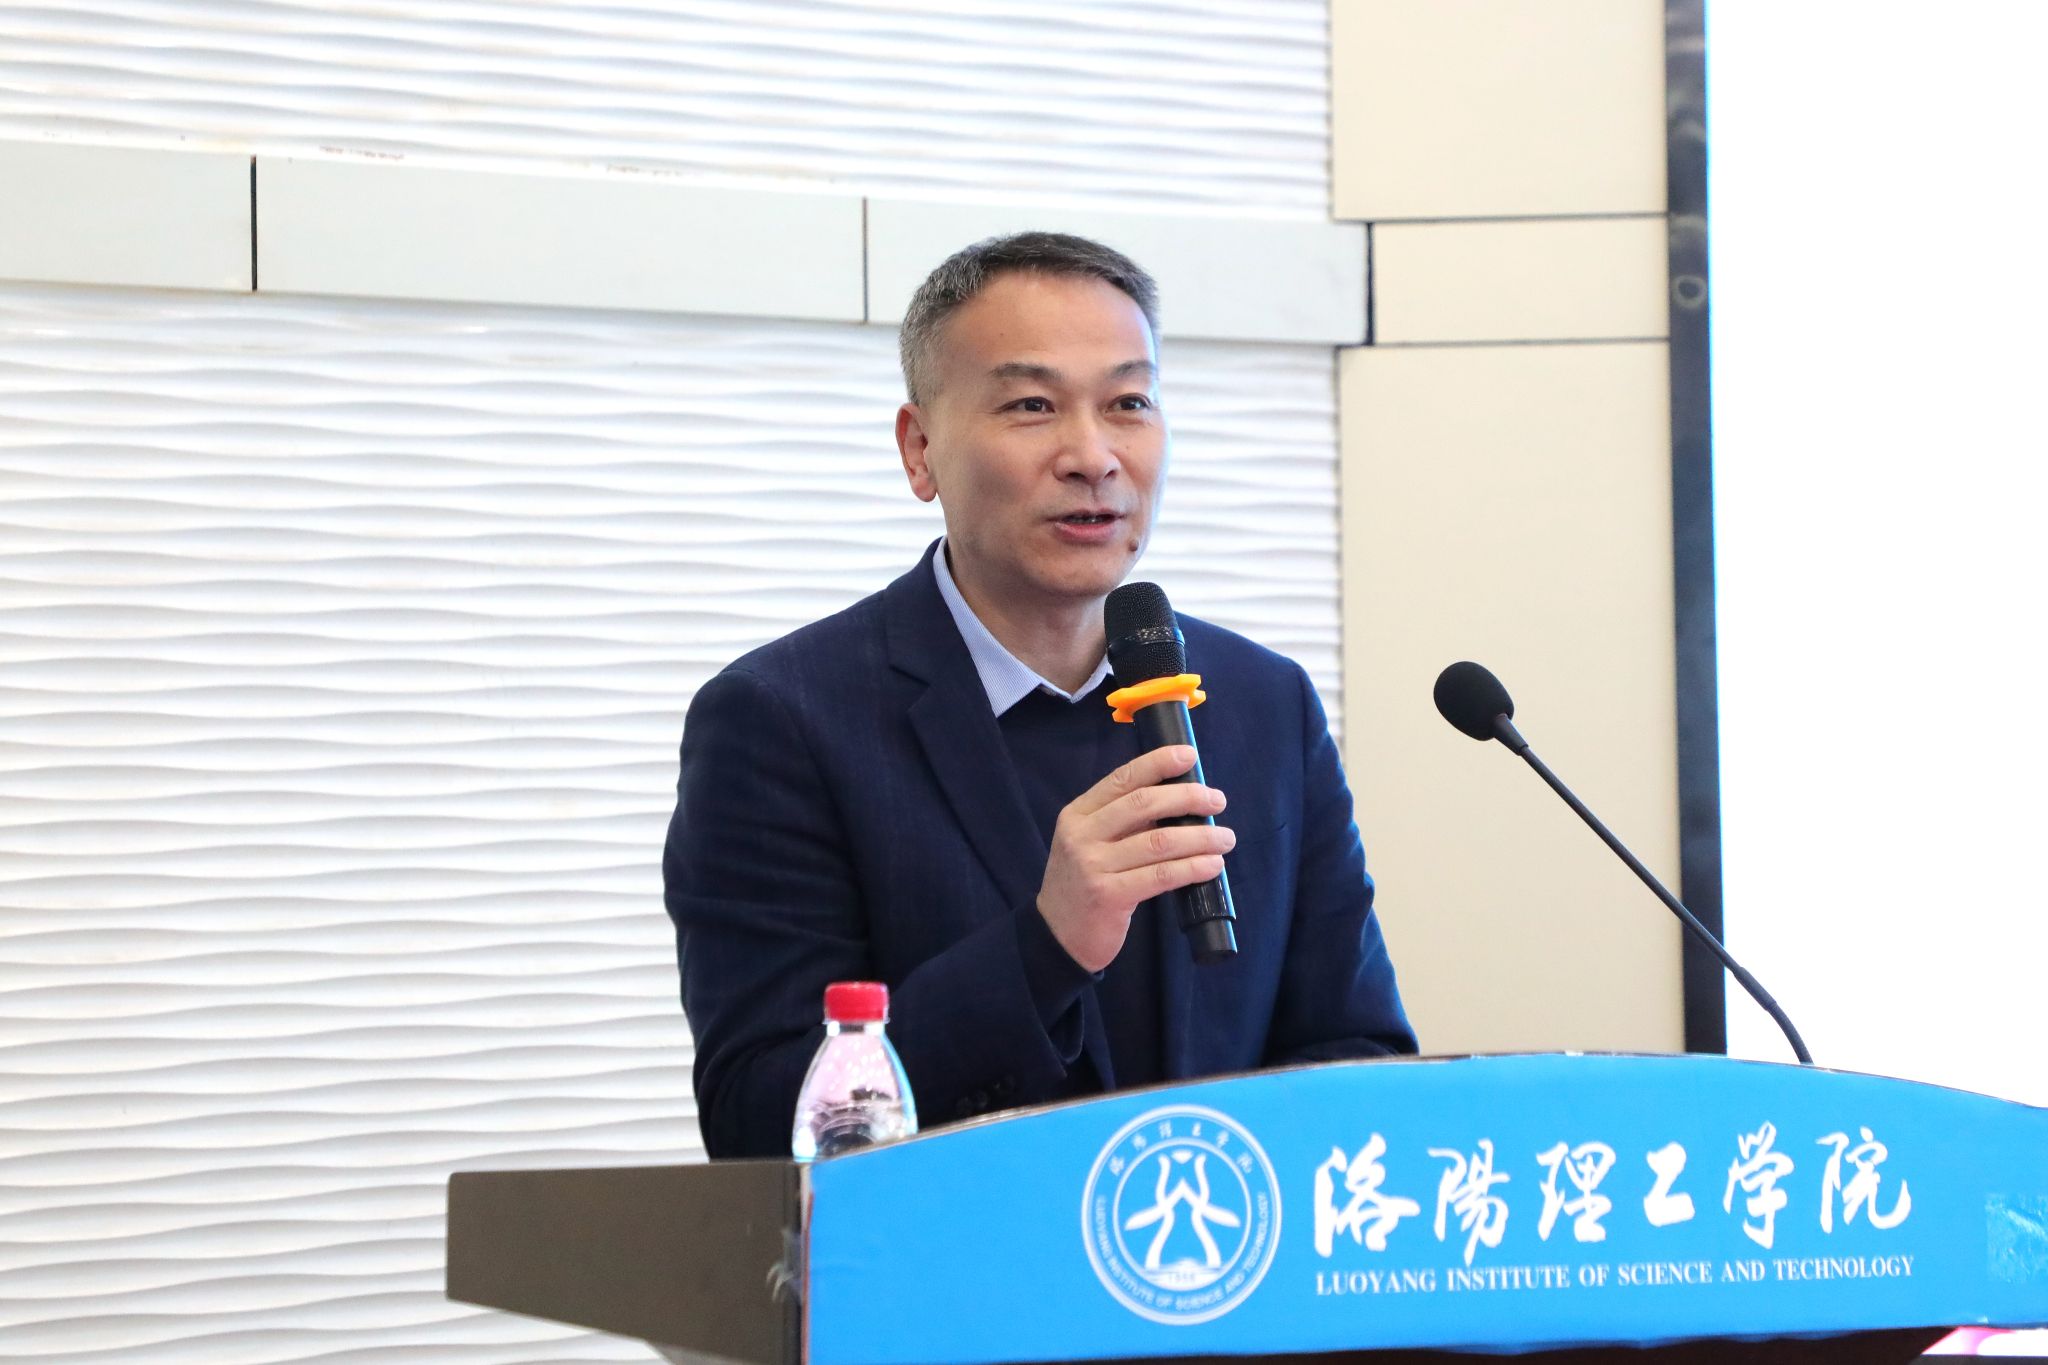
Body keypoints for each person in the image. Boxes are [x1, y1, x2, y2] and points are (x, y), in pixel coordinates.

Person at [664, 232, 1415, 1159]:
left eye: (1128, 403)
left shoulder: (1265, 705)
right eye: (1032, 405)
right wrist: (1045, 946)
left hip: (1218, 1242)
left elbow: (1358, 1054)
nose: (1092, 455)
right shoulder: (782, 720)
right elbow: (757, 1122)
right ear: (920, 449)